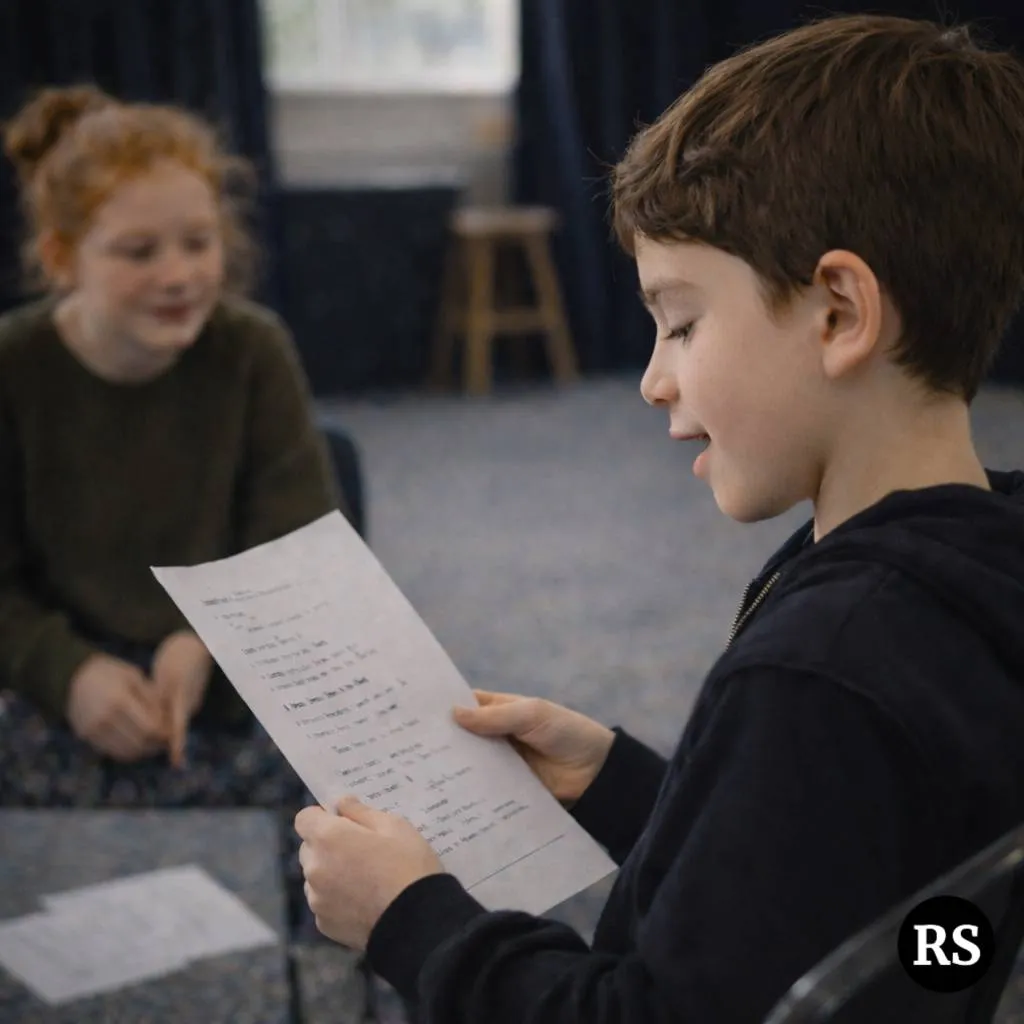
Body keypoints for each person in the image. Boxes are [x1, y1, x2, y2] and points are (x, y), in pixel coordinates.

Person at [293, 13, 1024, 1022]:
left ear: (839, 314)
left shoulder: (820, 666)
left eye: (681, 322)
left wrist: (411, 919)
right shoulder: (972, 564)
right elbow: (820, 882)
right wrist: (630, 786)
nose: (649, 379)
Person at [0, 84, 351, 920]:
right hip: (55, 689)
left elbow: (301, 552)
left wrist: (206, 643)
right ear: (61, 257)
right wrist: (71, 671)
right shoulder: (14, 369)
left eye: (198, 243)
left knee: (371, 766)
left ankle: (341, 988)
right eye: (137, 252)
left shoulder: (251, 350)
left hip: (229, 681)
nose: (178, 275)